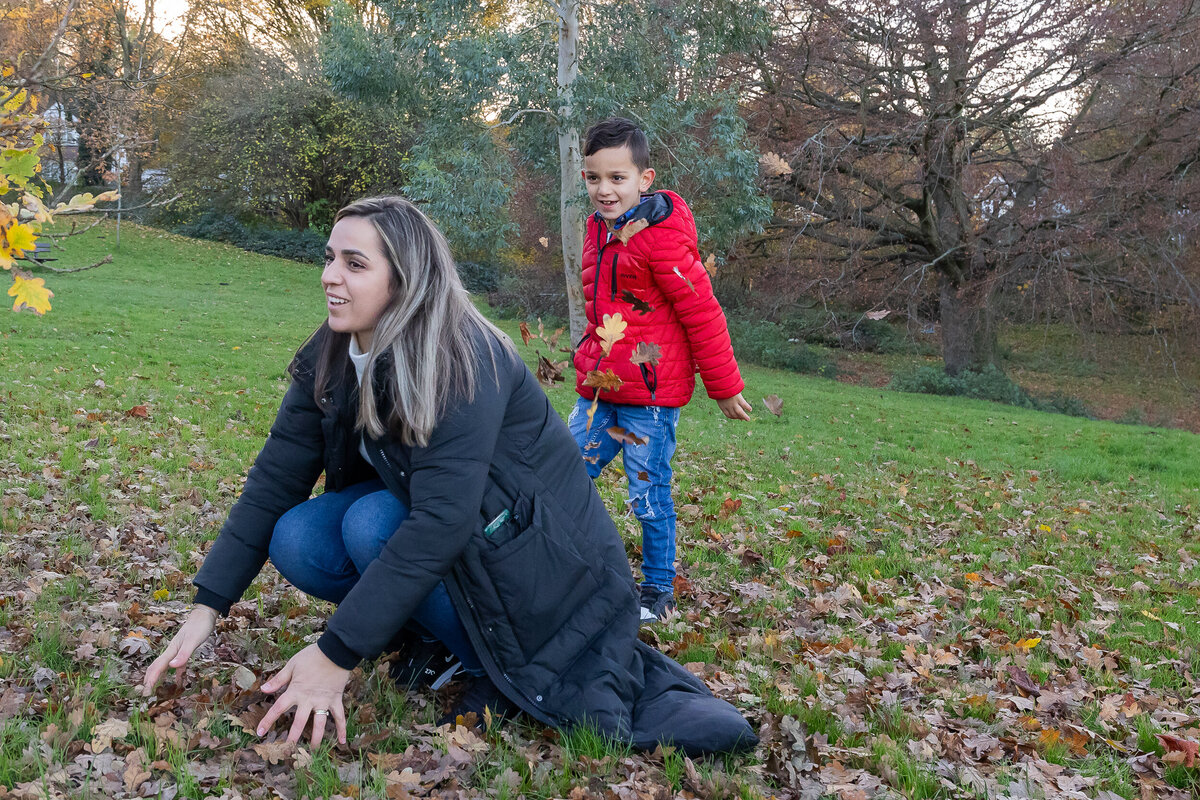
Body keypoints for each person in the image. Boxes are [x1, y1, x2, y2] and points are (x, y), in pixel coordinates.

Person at [142, 196, 757, 757]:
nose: (330, 276)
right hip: (463, 540)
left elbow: (442, 520)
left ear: (404, 281)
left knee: (372, 522)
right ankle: (436, 639)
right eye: (330, 258)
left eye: (355, 264)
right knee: (297, 535)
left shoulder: (465, 358)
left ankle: (489, 664)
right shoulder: (331, 353)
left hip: (543, 566)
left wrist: (335, 654)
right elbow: (272, 482)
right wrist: (207, 606)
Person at [570, 118, 753, 623]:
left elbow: (701, 310)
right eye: (593, 178)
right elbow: (603, 309)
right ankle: (567, 570)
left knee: (647, 495)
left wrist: (724, 386)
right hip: (601, 393)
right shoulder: (597, 230)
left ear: (644, 179)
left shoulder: (661, 239)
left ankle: (656, 591)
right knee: (562, 471)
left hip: (649, 400)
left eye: (617, 178)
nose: (604, 190)